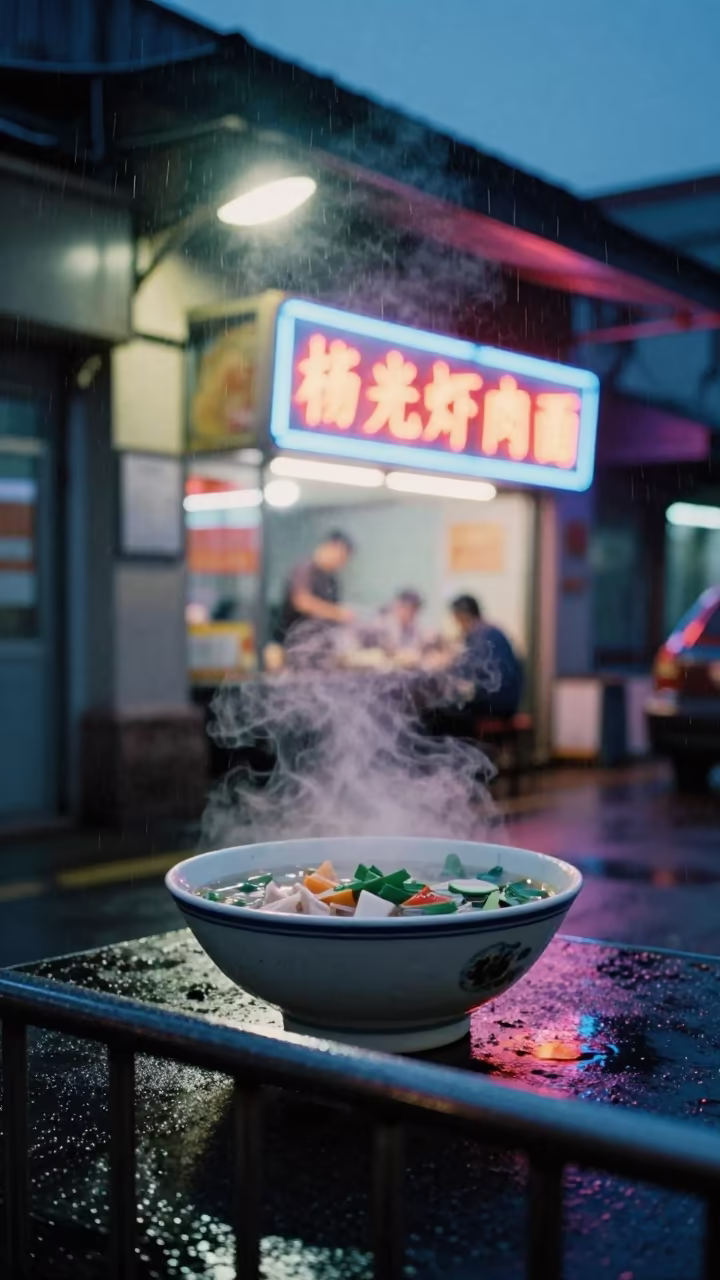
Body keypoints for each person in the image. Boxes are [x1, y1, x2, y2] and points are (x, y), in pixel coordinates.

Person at [422, 594, 521, 739]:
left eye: (456, 619)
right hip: (508, 702)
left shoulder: (481, 636)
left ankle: (458, 752)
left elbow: (466, 672)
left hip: (496, 704)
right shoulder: (491, 631)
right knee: (444, 709)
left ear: (462, 616)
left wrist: (444, 664)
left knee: (433, 715)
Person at [274, 530, 355, 645]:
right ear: (330, 547)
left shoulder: (332, 580)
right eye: (341, 557)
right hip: (292, 641)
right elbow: (302, 601)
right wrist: (337, 613)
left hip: (317, 641)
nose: (341, 563)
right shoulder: (305, 569)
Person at [377, 589, 426, 653]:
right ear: (399, 607)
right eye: (411, 608)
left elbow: (416, 646)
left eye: (416, 609)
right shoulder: (383, 625)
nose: (413, 613)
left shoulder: (413, 628)